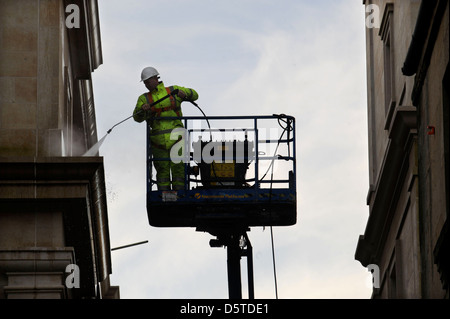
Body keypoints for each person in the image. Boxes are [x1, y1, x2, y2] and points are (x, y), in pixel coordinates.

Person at [133, 67, 199, 191]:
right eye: (145, 82)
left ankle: (180, 194)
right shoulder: (144, 99)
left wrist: (185, 94)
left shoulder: (173, 90)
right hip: (158, 142)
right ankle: (165, 196)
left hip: (177, 138)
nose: (146, 84)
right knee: (162, 170)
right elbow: (136, 118)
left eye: (148, 81)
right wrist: (142, 109)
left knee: (178, 168)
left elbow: (195, 95)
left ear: (155, 78)